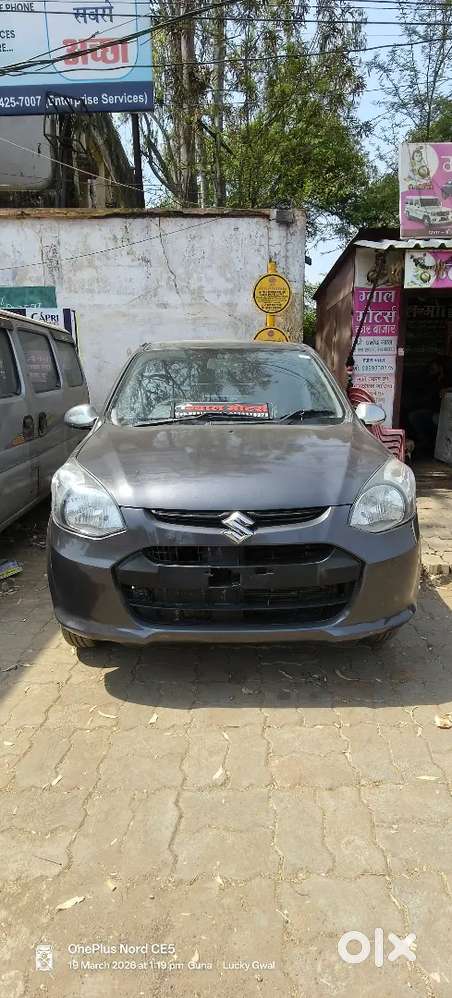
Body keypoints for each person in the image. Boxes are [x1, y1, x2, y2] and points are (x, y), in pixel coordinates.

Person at [408, 358, 448, 455]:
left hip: (444, 413)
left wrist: (447, 389)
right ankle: (426, 442)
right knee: (414, 416)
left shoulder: (446, 379)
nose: (432, 371)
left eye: (434, 369)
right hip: (432, 411)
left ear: (440, 368)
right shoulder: (430, 380)